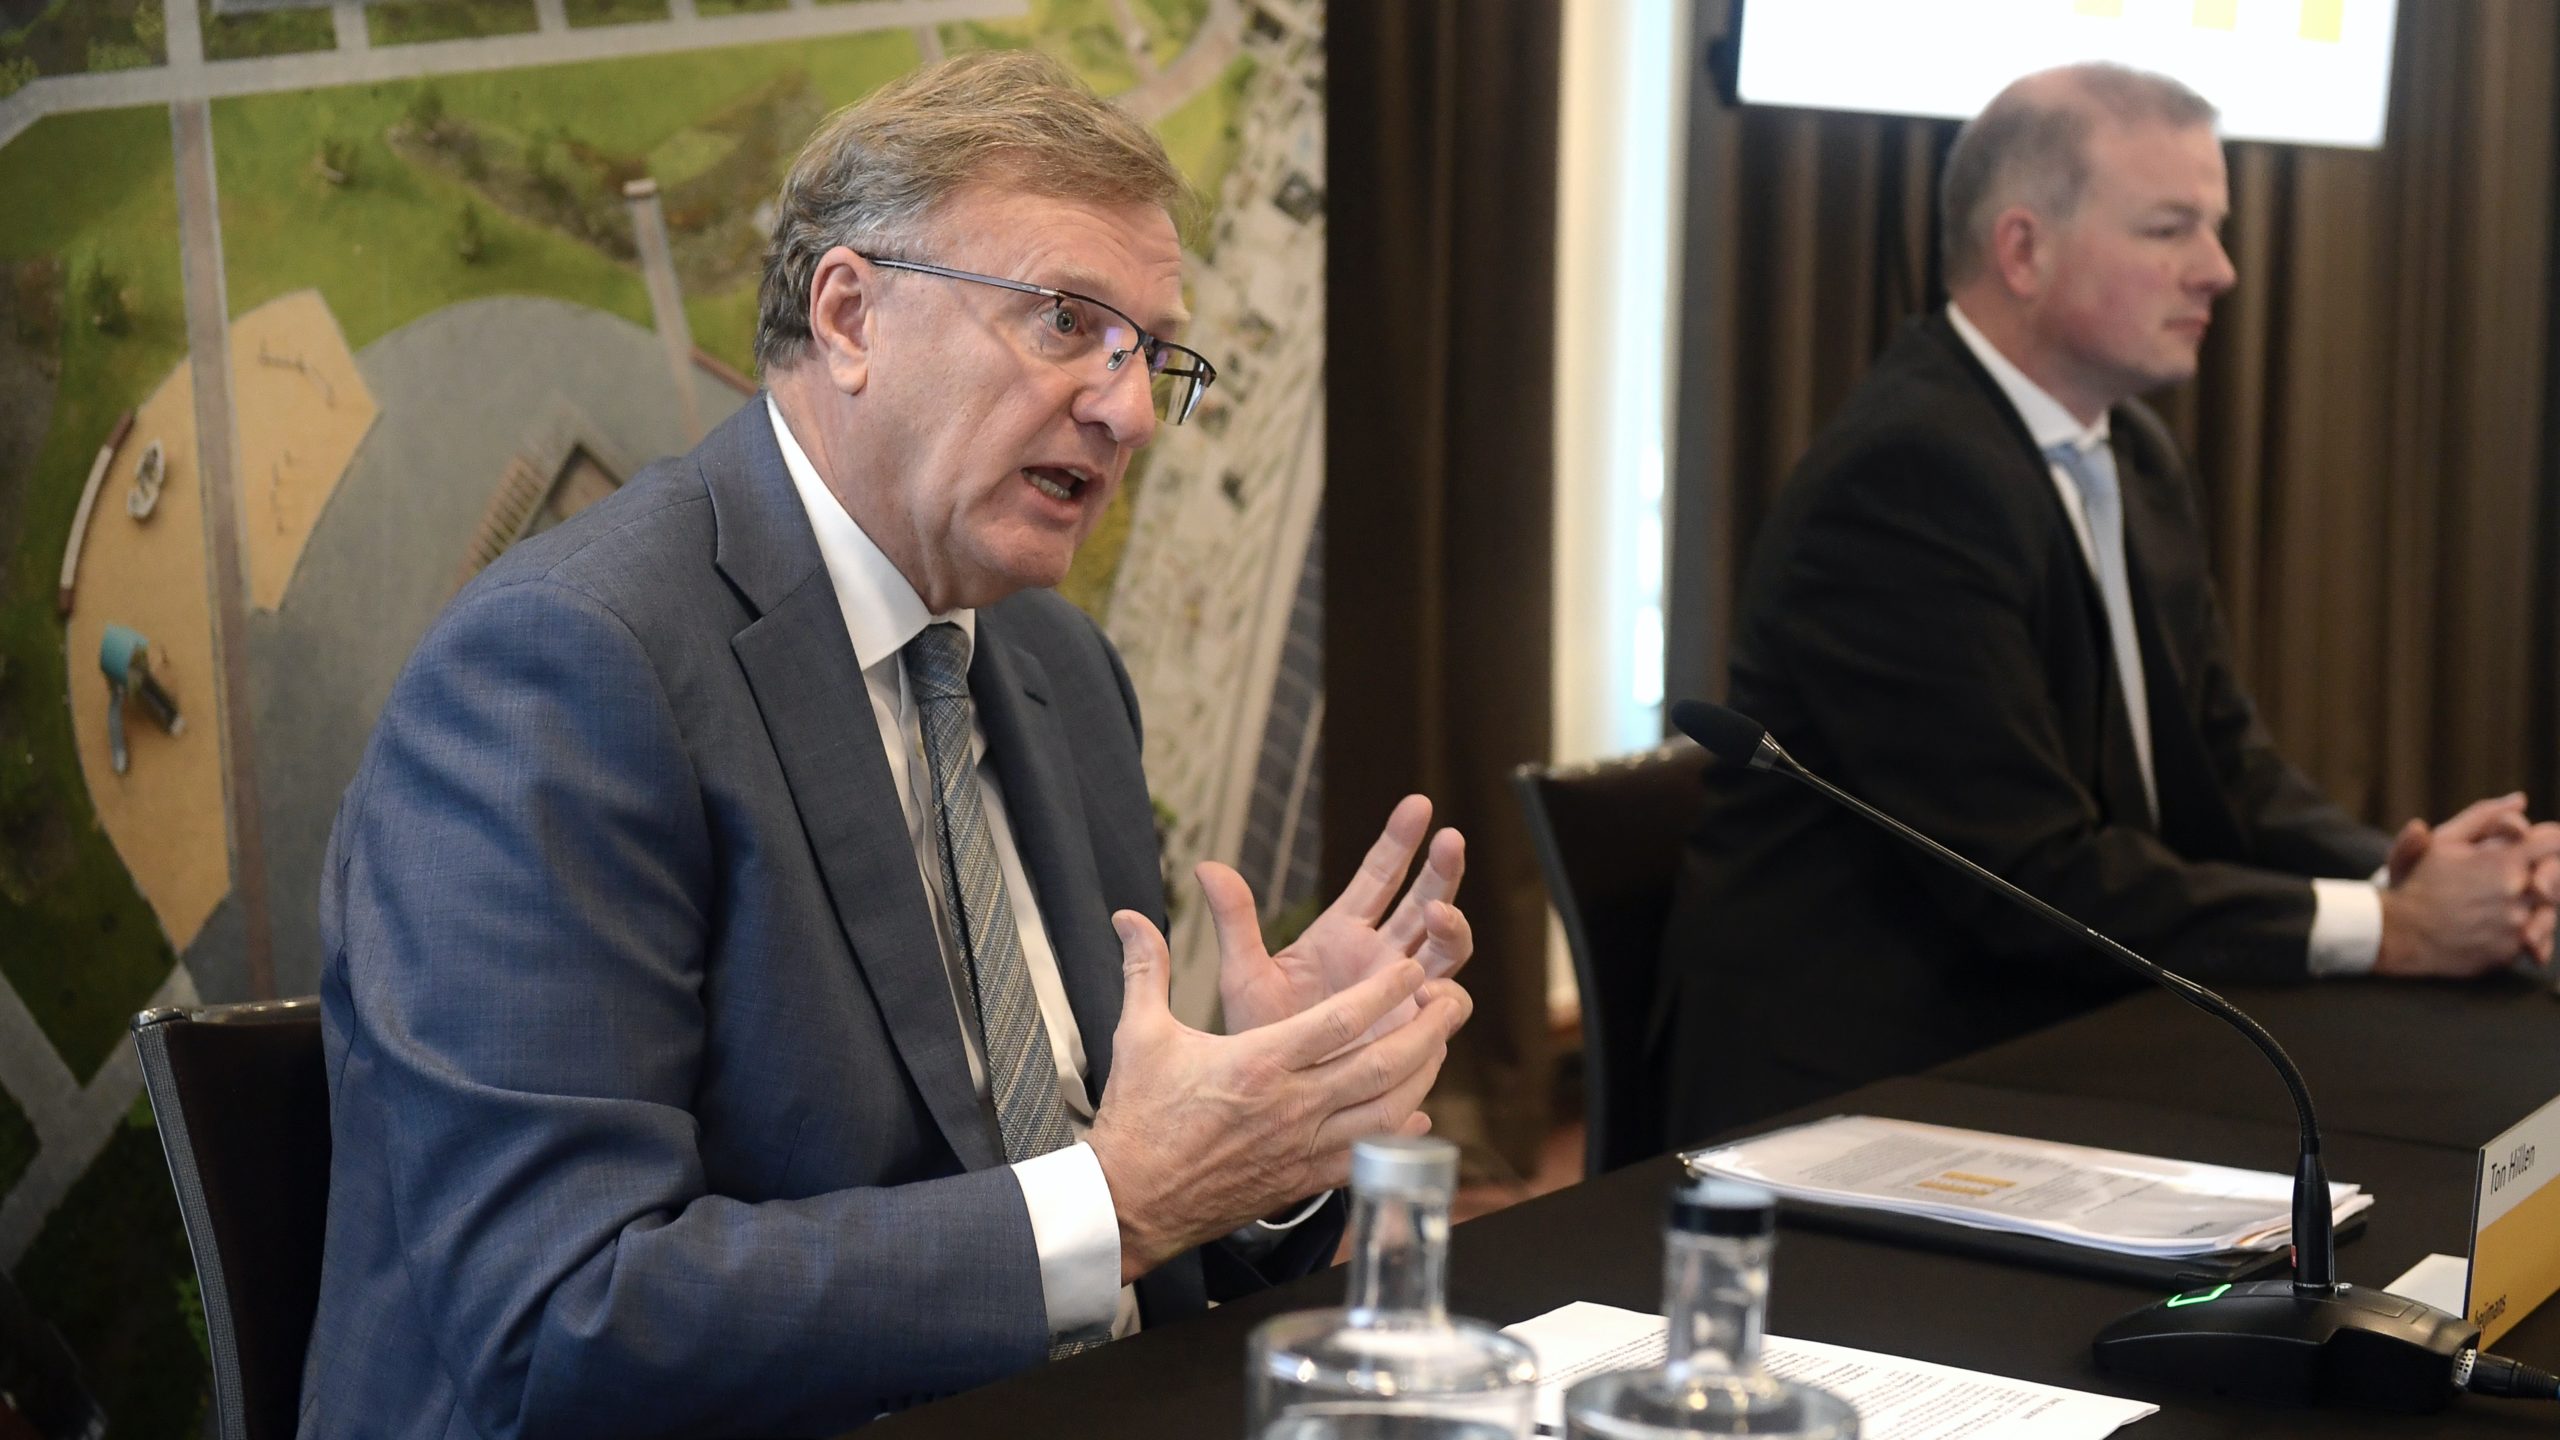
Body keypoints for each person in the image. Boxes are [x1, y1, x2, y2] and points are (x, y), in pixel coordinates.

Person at [302, 53, 1476, 1438]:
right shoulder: (563, 672)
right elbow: (556, 1316)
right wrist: (1123, 1192)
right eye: (1066, 322)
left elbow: (1113, 1243)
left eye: (1153, 351)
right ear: (849, 313)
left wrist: (1264, 1130)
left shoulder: (1058, 669)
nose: (1131, 410)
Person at [1654, 63, 2560, 1147]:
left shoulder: (2129, 451)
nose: (2218, 272)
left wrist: (2408, 873)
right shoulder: (1905, 479)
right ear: (2023, 250)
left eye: (2215, 230)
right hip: (1871, 1086)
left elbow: (2226, 768)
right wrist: (2390, 930)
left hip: (2056, 1029)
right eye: (2170, 230)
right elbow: (2026, 875)